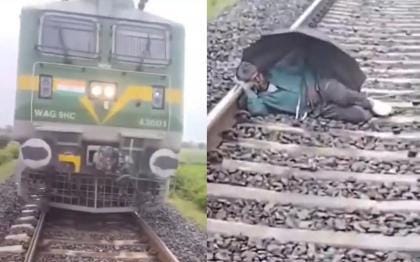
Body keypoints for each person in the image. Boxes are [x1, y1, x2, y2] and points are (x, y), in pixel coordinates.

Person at [236, 52, 393, 123]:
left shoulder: (277, 71)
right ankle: (365, 108)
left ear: (260, 71)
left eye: (258, 75)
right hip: (316, 108)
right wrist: (248, 91)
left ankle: (369, 102)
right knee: (360, 116)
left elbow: (304, 68)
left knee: (342, 96)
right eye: (253, 80)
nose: (258, 79)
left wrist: (311, 86)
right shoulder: (260, 99)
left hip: (320, 86)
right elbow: (258, 112)